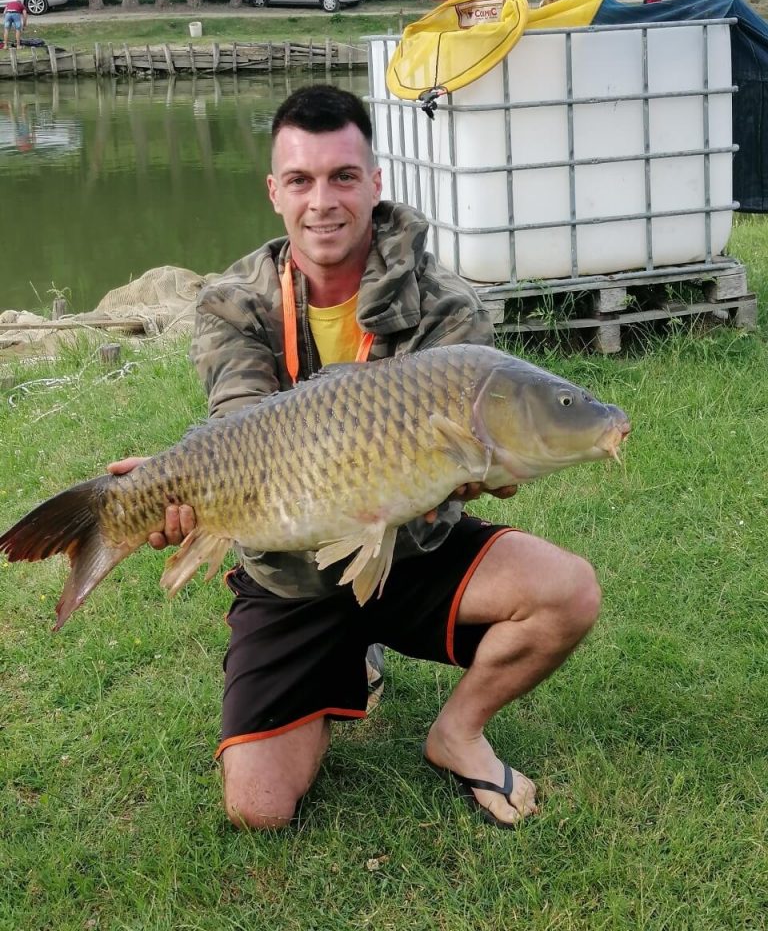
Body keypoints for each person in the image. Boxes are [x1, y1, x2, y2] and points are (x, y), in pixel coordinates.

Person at [111, 85, 601, 831]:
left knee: (567, 592)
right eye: (301, 180)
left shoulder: (447, 307)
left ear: (376, 183)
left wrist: (493, 470)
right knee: (259, 809)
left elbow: (494, 462)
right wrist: (177, 489)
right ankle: (344, 657)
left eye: (344, 177)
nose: (323, 202)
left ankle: (457, 732)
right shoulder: (232, 303)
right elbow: (243, 428)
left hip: (408, 554)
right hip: (288, 577)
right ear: (275, 192)